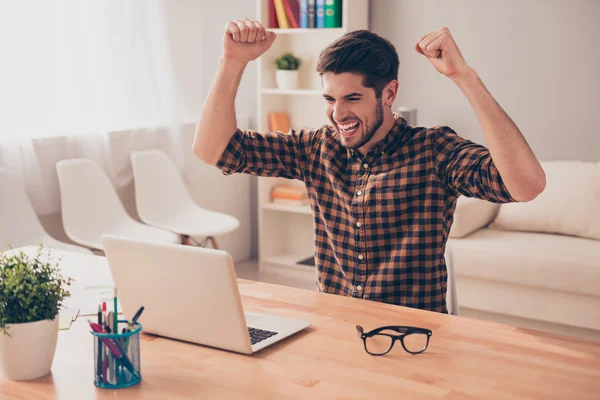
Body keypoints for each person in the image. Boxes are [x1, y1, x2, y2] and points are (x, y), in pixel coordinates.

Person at [193, 18, 545, 313]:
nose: (338, 114)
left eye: (353, 98)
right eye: (329, 99)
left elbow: (526, 185)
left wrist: (464, 76)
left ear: (389, 94)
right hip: (336, 328)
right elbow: (213, 150)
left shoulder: (433, 151)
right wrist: (232, 62)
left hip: (413, 336)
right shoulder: (316, 147)